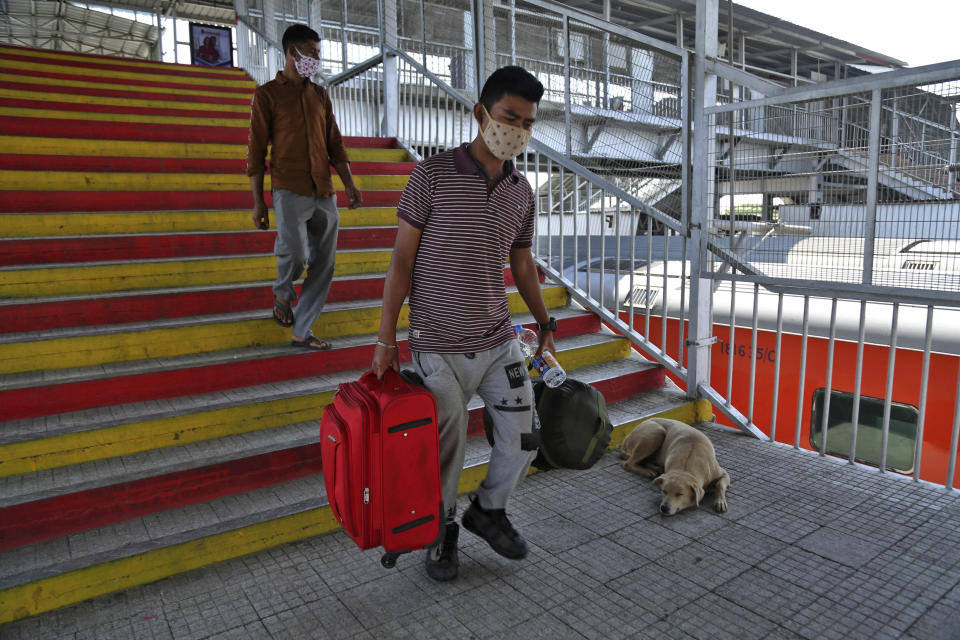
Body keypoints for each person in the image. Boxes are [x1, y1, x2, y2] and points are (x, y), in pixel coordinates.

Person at [371, 66, 556, 581]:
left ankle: (488, 510)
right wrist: (386, 338)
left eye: (527, 123)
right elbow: (401, 261)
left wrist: (545, 321)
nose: (517, 131)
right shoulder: (430, 175)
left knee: (523, 435)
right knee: (445, 451)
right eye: (508, 118)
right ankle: (441, 530)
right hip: (437, 344)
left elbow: (521, 265)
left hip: (499, 340)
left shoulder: (523, 192)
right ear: (481, 114)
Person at [247, 24, 362, 349]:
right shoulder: (267, 94)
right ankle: (282, 294)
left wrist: (349, 185)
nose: (316, 58)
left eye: (317, 53)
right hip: (288, 188)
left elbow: (335, 145)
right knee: (295, 255)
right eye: (312, 52)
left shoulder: (319, 95)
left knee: (325, 263)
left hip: (324, 190)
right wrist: (258, 202)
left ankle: (303, 330)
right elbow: (255, 152)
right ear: (291, 52)